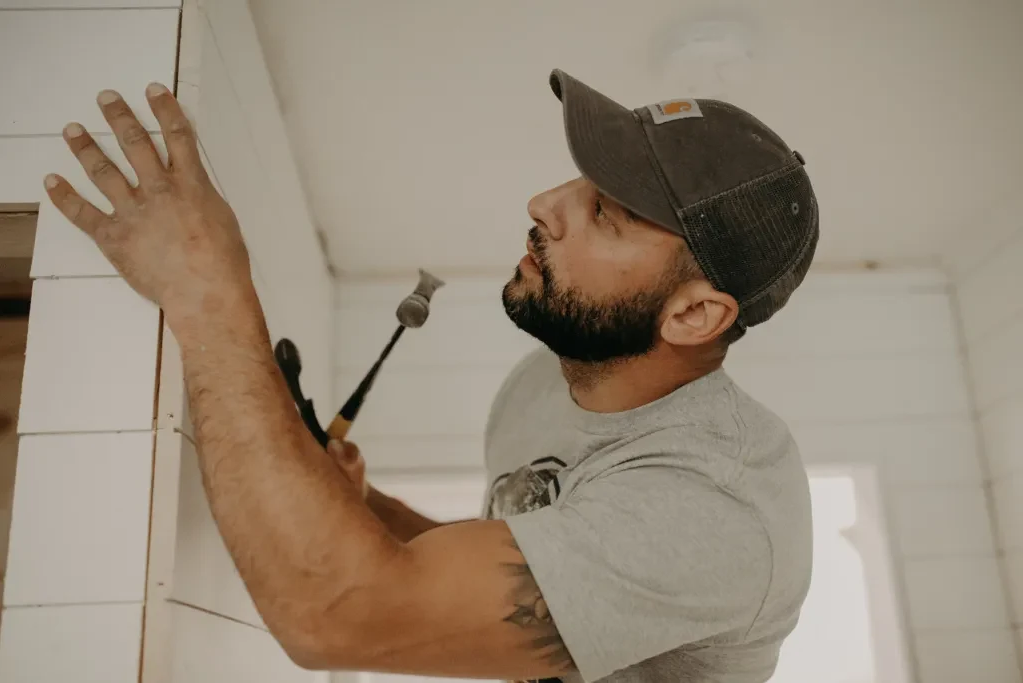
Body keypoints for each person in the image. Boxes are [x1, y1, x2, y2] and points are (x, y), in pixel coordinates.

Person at [46, 69, 817, 683]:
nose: (544, 204)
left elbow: (335, 617)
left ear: (690, 316)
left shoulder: (716, 509)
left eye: (607, 212)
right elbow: (518, 560)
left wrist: (205, 290)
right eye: (579, 182)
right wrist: (364, 506)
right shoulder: (543, 384)